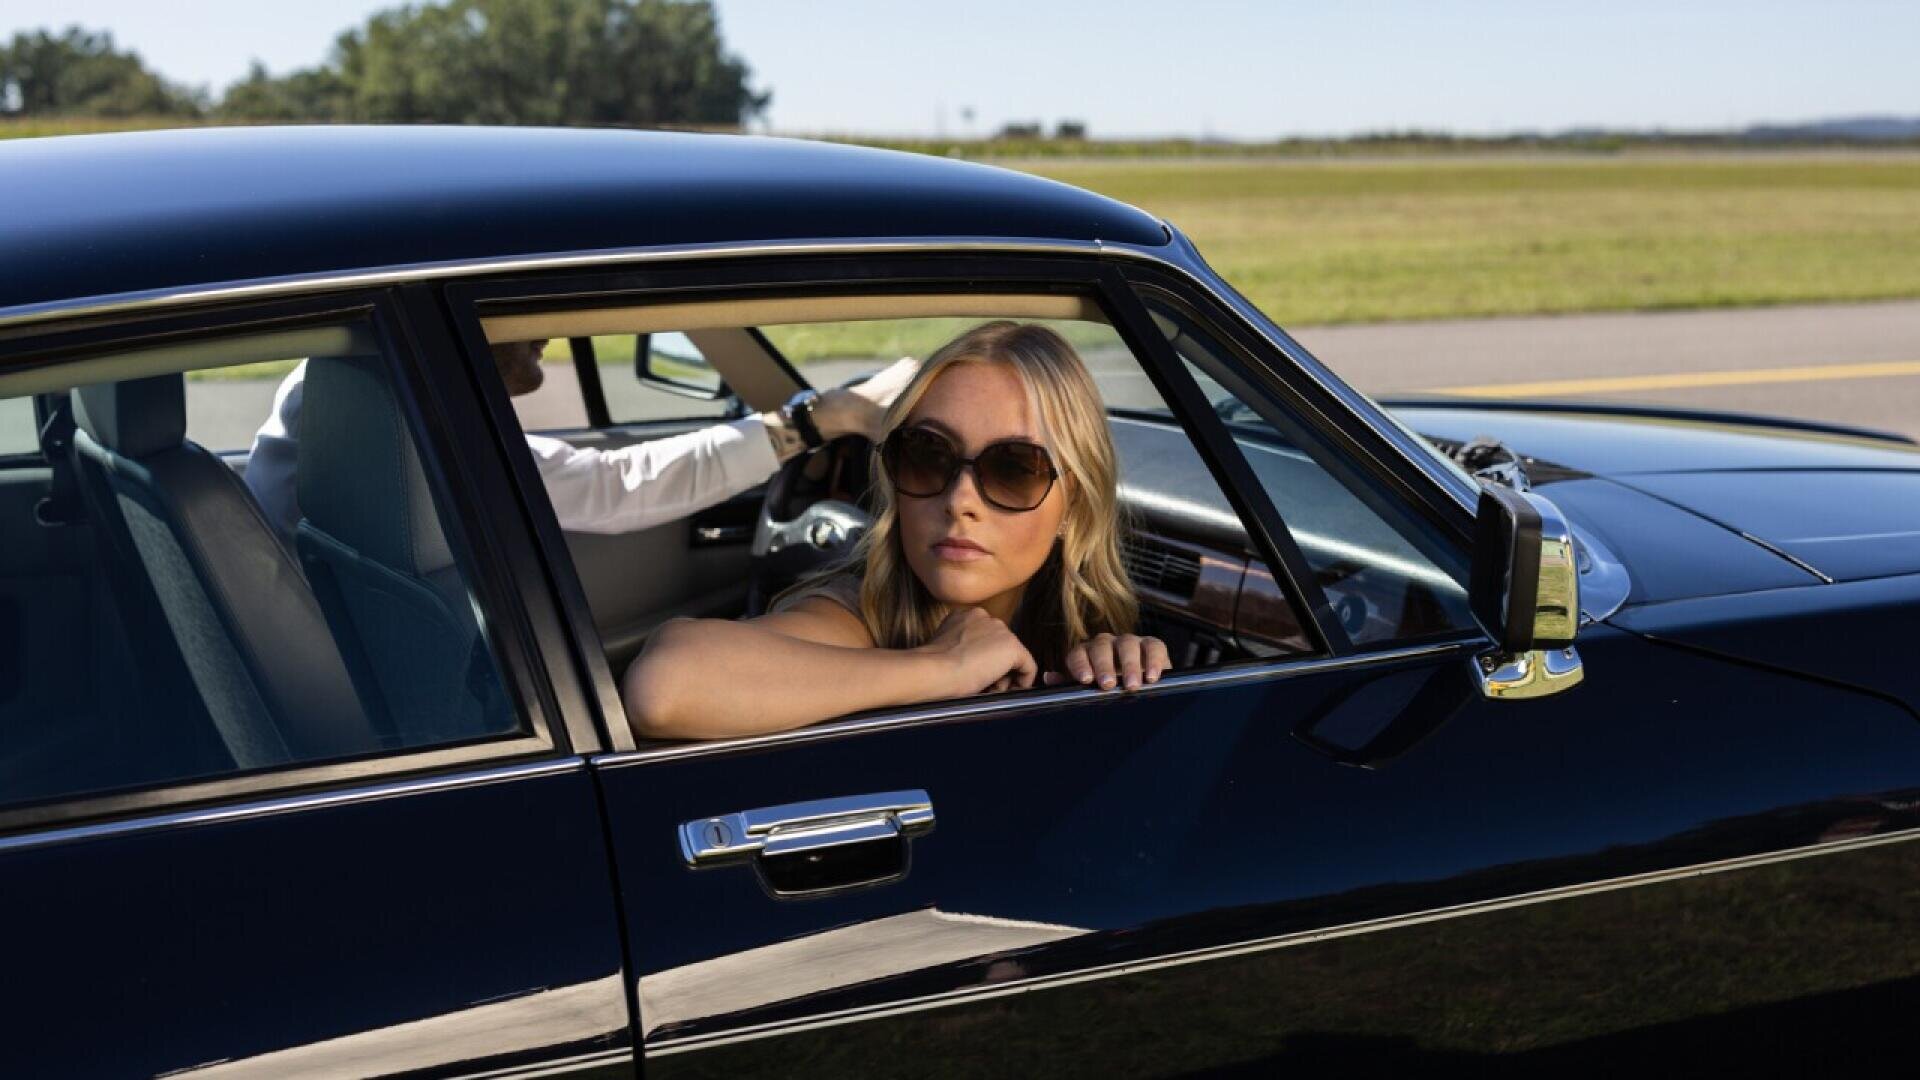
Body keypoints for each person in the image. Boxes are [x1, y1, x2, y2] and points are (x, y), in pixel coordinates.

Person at [622, 321, 1171, 740]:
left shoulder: (1087, 637)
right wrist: (939, 667)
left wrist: (1119, 671)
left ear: (1073, 507)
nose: (959, 501)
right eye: (928, 456)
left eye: (1013, 469)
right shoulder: (859, 611)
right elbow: (665, 684)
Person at [244, 338, 917, 540]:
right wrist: (824, 418)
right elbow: (616, 487)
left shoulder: (334, 399)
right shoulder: (422, 445)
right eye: (531, 308)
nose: (553, 333)